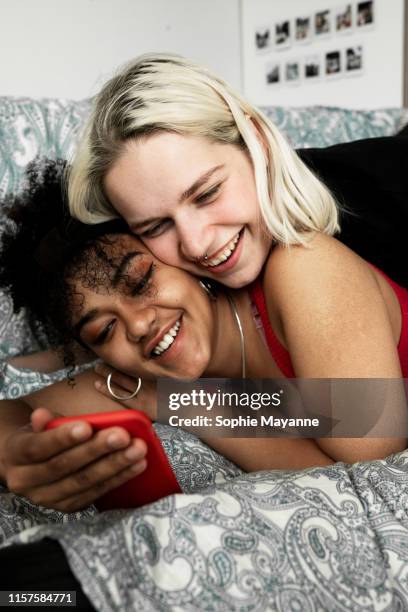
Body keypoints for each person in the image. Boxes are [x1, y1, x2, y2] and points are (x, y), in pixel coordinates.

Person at [0, 160, 407, 514]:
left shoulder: (303, 270)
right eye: (104, 330)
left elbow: (371, 472)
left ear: (181, 255)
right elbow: (13, 413)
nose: (138, 326)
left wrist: (193, 407)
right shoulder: (134, 376)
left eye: (141, 282)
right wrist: (15, 455)